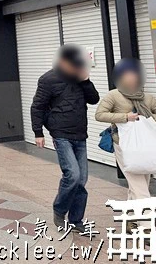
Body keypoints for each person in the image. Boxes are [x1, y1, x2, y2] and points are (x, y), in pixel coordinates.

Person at [95, 58, 156, 228]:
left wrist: (147, 118)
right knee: (141, 189)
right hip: (124, 146)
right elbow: (99, 114)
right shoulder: (114, 95)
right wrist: (125, 117)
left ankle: (129, 219)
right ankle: (148, 229)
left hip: (145, 146)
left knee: (138, 186)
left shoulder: (146, 97)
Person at [31, 44, 100, 230]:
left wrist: (86, 81)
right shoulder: (48, 79)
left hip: (80, 133)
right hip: (61, 134)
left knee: (82, 179)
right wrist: (38, 132)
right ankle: (60, 210)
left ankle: (76, 220)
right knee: (73, 174)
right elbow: (37, 106)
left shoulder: (79, 77)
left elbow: (94, 99)